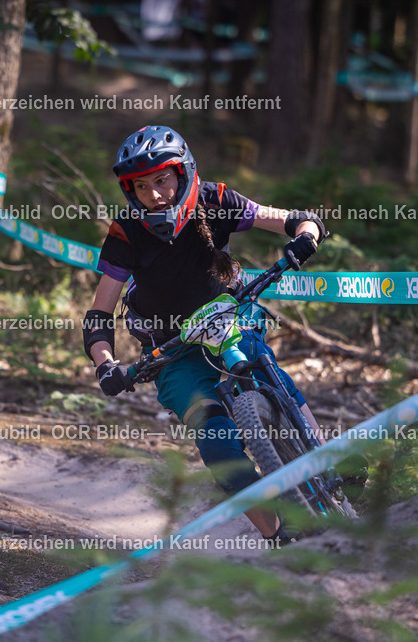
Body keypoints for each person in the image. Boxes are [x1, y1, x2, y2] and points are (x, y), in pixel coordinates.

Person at [82, 125, 327, 546]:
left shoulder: (215, 199)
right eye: (142, 186)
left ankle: (329, 465)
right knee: (218, 447)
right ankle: (281, 536)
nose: (155, 194)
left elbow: (293, 220)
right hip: (171, 352)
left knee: (272, 377)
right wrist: (106, 365)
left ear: (183, 173)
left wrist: (306, 237)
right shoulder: (126, 231)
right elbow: (99, 313)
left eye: (162, 180)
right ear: (130, 191)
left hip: (229, 318)